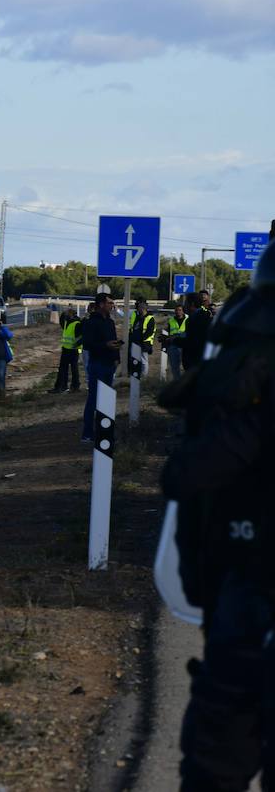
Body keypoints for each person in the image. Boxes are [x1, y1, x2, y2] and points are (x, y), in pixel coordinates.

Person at [159, 246, 275, 791]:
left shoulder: (240, 392)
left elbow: (187, 482)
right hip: (246, 595)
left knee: (213, 767)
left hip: (247, 594)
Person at [80, 292, 122, 442]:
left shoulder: (110, 322)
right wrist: (105, 345)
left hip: (109, 364)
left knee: (106, 400)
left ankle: (104, 431)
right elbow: (88, 344)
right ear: (101, 304)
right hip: (97, 364)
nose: (112, 305)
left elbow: (113, 339)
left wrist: (117, 356)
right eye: (110, 303)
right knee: (93, 399)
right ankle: (87, 433)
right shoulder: (91, 322)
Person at [51, 307, 82, 393]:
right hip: (66, 348)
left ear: (71, 314)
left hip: (73, 350)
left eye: (67, 314)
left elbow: (79, 338)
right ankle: (62, 386)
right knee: (64, 369)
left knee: (73, 369)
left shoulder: (76, 323)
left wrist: (77, 348)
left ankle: (74, 386)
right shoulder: (67, 322)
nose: (65, 316)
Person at [182, 292, 212, 373]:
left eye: (185, 303)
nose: (184, 306)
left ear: (191, 304)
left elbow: (192, 342)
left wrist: (174, 340)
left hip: (197, 363)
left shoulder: (202, 318)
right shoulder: (191, 319)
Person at [129, 298, 156, 378]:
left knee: (144, 361)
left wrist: (141, 339)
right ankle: (136, 376)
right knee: (135, 360)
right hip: (136, 342)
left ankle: (144, 377)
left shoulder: (150, 318)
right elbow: (134, 328)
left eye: (140, 308)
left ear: (143, 309)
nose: (138, 310)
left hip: (145, 343)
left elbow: (150, 331)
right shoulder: (137, 317)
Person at [162, 301, 187, 381]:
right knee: (174, 367)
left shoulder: (188, 319)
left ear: (183, 311)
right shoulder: (171, 321)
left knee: (186, 366)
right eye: (176, 310)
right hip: (173, 345)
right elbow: (167, 332)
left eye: (180, 310)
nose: (178, 312)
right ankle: (177, 382)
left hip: (184, 345)